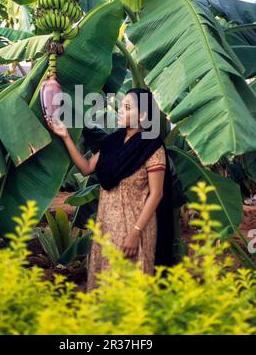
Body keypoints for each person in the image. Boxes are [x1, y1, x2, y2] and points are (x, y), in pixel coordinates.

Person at [45, 87, 174, 292]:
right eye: (122, 106)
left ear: (142, 115)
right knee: (106, 279)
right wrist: (66, 137)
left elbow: (156, 194)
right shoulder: (112, 143)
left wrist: (135, 233)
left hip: (135, 225)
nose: (121, 111)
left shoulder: (152, 147)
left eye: (128, 108)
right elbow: (86, 168)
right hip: (107, 224)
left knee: (130, 282)